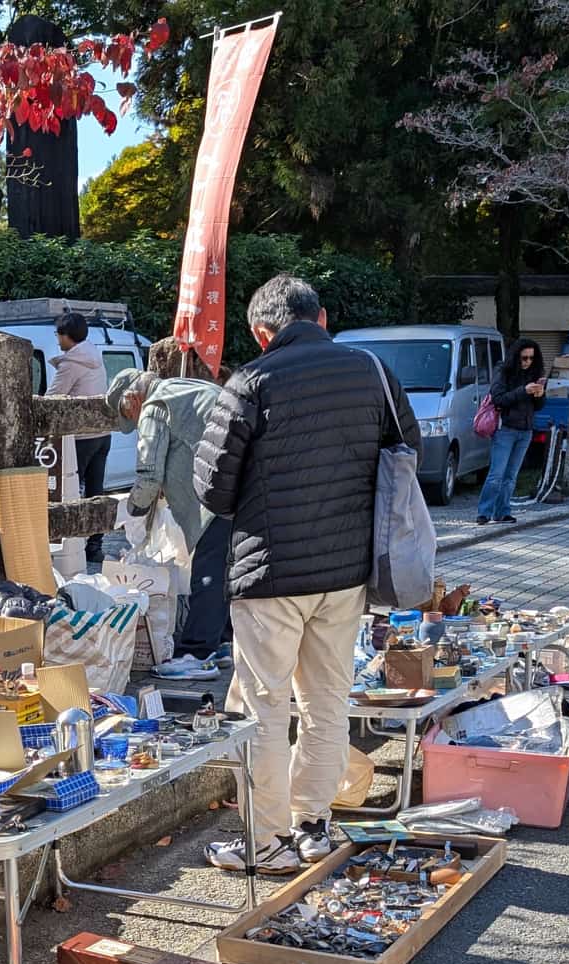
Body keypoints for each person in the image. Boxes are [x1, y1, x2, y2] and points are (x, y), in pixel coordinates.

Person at [194, 274, 416, 875]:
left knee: (262, 708)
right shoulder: (371, 371)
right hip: (345, 571)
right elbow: (406, 448)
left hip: (268, 572)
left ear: (262, 332)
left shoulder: (251, 381)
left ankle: (265, 843)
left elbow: (212, 488)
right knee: (326, 702)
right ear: (321, 318)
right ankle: (312, 826)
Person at [104, 367, 227, 679]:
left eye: (127, 413)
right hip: (239, 486)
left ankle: (197, 652)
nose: (132, 420)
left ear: (133, 398)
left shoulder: (156, 406)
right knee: (227, 568)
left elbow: (148, 474)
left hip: (216, 498)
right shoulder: (185, 388)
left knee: (208, 574)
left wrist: (132, 511)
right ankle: (223, 641)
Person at [49, 312, 112, 566]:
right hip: (102, 433)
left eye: (58, 335)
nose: (57, 340)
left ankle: (71, 546)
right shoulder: (94, 355)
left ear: (66, 336)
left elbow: (53, 396)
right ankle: (94, 546)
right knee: (95, 491)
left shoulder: (72, 362)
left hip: (80, 437)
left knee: (70, 492)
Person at [475, 339, 547, 525]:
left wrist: (540, 395)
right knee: (497, 474)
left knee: (511, 475)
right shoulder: (503, 371)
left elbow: (538, 406)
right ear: (516, 357)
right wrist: (523, 390)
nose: (527, 362)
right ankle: (484, 512)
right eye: (524, 358)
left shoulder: (534, 372)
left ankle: (502, 512)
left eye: (531, 358)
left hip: (525, 429)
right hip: (505, 428)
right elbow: (498, 398)